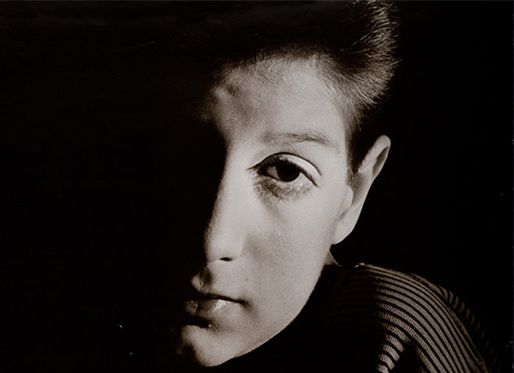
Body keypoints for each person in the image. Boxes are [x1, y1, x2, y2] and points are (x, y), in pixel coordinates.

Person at [118, 1, 500, 371]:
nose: (213, 242)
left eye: (285, 172)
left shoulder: (389, 333)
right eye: (180, 162)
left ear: (353, 195)